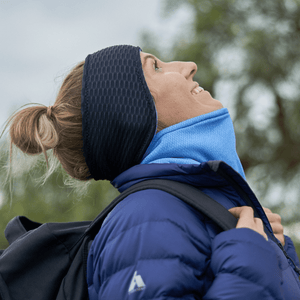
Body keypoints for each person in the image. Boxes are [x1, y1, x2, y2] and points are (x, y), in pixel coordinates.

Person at [7, 45, 300, 299]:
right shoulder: (145, 218)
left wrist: (271, 251)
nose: (188, 67)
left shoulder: (192, 210)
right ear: (133, 115)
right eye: (156, 67)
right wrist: (249, 261)